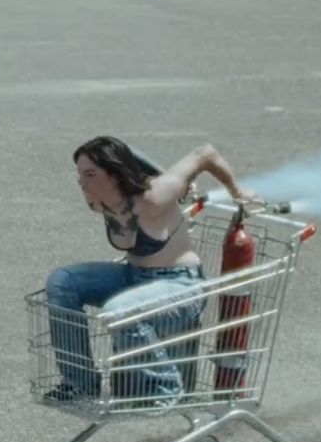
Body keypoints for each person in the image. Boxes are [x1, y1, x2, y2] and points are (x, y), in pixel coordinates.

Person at [43, 136, 260, 406]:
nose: (81, 182)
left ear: (114, 175)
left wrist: (235, 191)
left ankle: (167, 385)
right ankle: (80, 384)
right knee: (62, 282)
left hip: (181, 286)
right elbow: (125, 153)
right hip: (136, 279)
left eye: (90, 174)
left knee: (118, 311)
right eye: (79, 174)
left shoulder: (155, 196)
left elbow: (205, 153)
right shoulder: (99, 201)